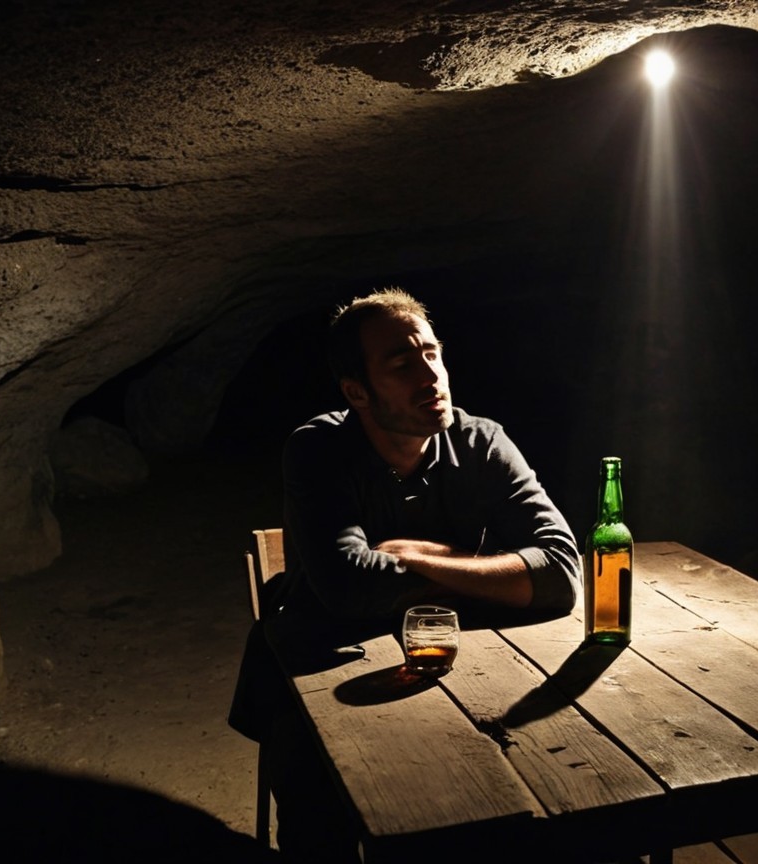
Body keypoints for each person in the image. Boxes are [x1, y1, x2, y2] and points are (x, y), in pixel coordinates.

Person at [229, 287, 581, 860]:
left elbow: (563, 574)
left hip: (446, 654)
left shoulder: (481, 441)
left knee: (534, 774)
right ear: (356, 391)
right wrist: (485, 572)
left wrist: (410, 556)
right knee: (319, 811)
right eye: (401, 363)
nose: (430, 375)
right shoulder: (318, 448)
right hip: (324, 657)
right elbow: (346, 587)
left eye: (432, 353)